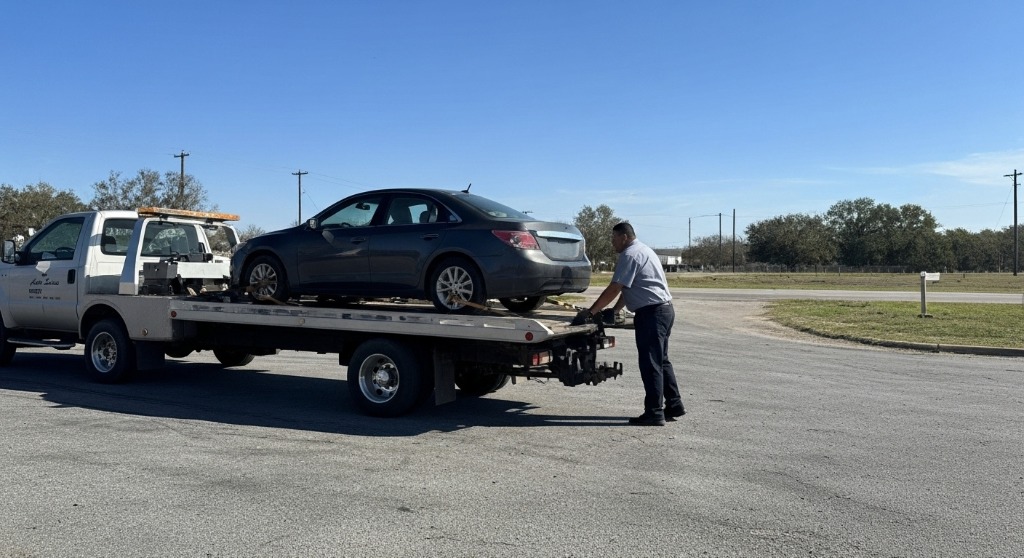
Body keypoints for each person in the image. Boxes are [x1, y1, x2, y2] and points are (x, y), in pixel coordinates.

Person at [572, 222, 684, 426]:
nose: (612, 243)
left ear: (624, 237)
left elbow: (615, 287)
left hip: (652, 314)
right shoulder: (645, 250)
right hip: (664, 310)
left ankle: (654, 412)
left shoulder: (629, 255)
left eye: (614, 239)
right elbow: (628, 286)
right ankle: (674, 404)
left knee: (651, 364)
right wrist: (614, 311)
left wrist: (591, 312)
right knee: (661, 360)